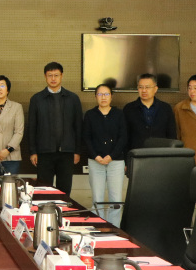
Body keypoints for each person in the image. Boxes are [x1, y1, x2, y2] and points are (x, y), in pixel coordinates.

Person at [28, 62, 83, 194]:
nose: (53, 78)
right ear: (45, 76)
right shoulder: (37, 99)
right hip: (44, 153)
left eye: (56, 75)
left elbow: (78, 126)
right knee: (43, 190)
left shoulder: (73, 98)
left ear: (62, 76)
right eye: (50, 75)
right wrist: (33, 151)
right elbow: (32, 127)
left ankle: (62, 208)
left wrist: (77, 151)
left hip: (67, 153)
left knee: (64, 191)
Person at [82, 84, 127, 227]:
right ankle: (98, 227)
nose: (103, 97)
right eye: (100, 94)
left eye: (106, 94)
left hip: (115, 161)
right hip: (96, 161)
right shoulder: (90, 115)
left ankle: (115, 228)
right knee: (97, 198)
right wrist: (95, 156)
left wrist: (111, 156)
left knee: (116, 198)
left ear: (111, 96)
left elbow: (123, 137)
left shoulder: (119, 114)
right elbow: (86, 138)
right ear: (95, 97)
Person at [122, 73, 177, 151]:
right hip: (137, 153)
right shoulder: (129, 109)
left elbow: (172, 135)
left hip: (161, 153)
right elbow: (124, 135)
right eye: (141, 87)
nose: (144, 90)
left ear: (155, 89)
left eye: (147, 87)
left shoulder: (165, 108)